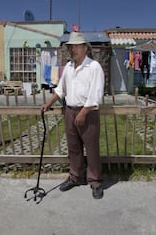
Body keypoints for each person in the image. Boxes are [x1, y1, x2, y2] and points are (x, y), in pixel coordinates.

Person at [41, 32, 105, 199]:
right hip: (70, 111)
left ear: (85, 48)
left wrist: (84, 112)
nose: (72, 49)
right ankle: (76, 177)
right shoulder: (69, 67)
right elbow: (61, 89)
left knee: (91, 149)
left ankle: (95, 181)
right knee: (73, 148)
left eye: (76, 46)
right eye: (70, 47)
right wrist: (49, 103)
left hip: (88, 112)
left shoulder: (94, 67)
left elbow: (96, 93)